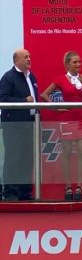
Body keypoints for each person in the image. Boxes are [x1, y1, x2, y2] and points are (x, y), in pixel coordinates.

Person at [40, 51, 82, 201]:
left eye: (80, 62)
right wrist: (56, 108)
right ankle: (68, 186)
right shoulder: (60, 79)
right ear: (67, 64)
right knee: (67, 153)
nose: (78, 64)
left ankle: (80, 186)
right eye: (75, 62)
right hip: (66, 120)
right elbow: (44, 95)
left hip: (81, 120)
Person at [0, 49, 38, 201]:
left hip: (30, 124)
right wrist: (24, 101)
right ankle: (10, 193)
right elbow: (3, 99)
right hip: (13, 126)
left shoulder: (31, 76)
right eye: (25, 57)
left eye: (29, 56)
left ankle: (24, 192)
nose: (29, 59)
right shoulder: (8, 77)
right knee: (13, 158)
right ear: (16, 61)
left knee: (27, 159)